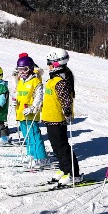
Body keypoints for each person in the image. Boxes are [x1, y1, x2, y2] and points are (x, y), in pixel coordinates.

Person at [41, 48, 82, 185]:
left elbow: (66, 100)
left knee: (63, 147)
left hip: (58, 120)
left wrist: (67, 112)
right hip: (50, 118)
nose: (48, 66)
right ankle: (64, 169)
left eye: (50, 63)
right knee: (56, 147)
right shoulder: (53, 80)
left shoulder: (60, 81)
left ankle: (74, 174)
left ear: (57, 63)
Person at [14, 56, 49, 168]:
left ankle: (41, 157)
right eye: (19, 70)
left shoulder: (35, 81)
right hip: (21, 112)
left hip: (30, 113)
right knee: (27, 135)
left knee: (34, 135)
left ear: (30, 68)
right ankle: (31, 154)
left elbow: (39, 97)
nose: (22, 72)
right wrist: (15, 101)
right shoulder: (20, 82)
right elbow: (18, 93)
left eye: (24, 69)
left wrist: (33, 108)